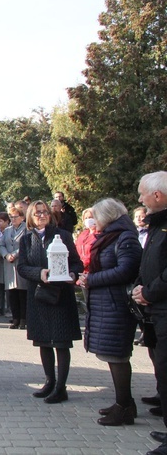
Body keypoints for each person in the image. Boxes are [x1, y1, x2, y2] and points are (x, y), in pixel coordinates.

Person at [78, 198, 141, 426]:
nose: (93, 219)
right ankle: (124, 403)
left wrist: (92, 279)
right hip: (107, 304)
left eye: (96, 215)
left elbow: (125, 270)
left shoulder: (125, 237)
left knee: (117, 356)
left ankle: (124, 407)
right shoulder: (112, 236)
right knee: (113, 356)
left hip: (116, 305)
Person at [17, 200, 83, 404]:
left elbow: (77, 262)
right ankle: (49, 381)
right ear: (30, 216)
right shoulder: (26, 239)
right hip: (38, 295)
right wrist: (40, 273)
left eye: (44, 212)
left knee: (61, 342)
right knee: (43, 341)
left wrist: (71, 272)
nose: (42, 215)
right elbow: (22, 267)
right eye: (37, 213)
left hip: (61, 295)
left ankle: (61, 387)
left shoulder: (62, 235)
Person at [130, 172, 167, 454]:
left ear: (158, 195)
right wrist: (141, 287)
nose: (140, 199)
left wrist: (149, 291)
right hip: (155, 310)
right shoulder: (157, 225)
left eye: (143, 194)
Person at [2, 206, 27, 329]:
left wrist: (15, 254)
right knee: (12, 294)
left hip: (20, 263)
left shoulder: (27, 229)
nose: (12, 219)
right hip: (9, 264)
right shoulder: (7, 230)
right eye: (11, 217)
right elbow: (1, 245)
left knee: (22, 293)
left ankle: (23, 319)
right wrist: (6, 255)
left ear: (22, 217)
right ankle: (15, 319)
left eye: (15, 217)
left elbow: (26, 245)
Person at [75, 208, 97, 272]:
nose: (88, 220)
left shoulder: (99, 234)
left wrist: (84, 263)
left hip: (93, 269)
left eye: (90, 217)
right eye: (86, 218)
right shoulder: (83, 234)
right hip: (80, 270)